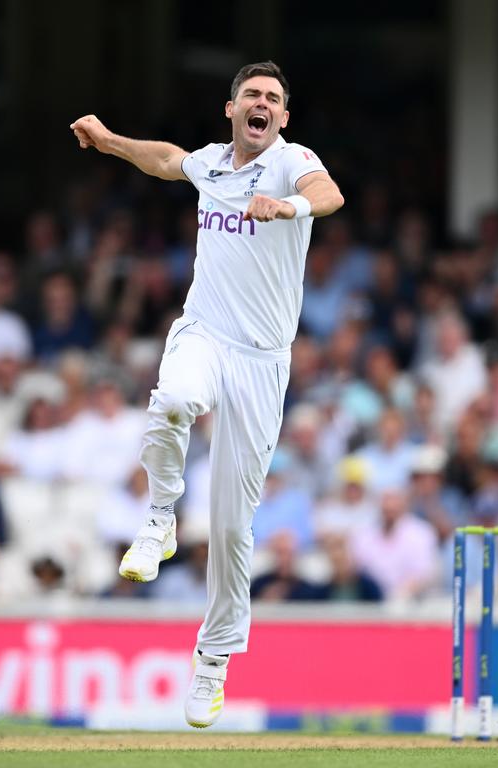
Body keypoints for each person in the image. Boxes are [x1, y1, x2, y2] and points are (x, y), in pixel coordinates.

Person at [70, 60, 344, 728]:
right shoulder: (212, 163)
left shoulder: (292, 161)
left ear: (283, 116)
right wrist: (109, 141)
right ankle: (161, 516)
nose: (262, 104)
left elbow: (329, 192)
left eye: (273, 99)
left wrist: (291, 205)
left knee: (229, 526)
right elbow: (166, 160)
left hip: (262, 360)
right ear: (231, 109)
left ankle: (214, 660)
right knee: (169, 401)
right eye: (251, 94)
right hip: (205, 330)